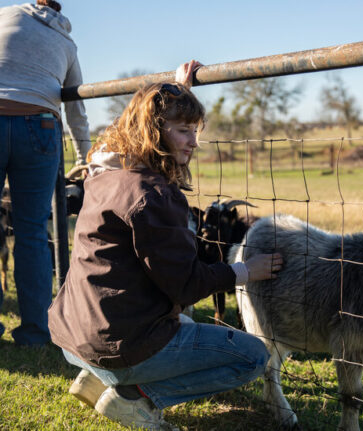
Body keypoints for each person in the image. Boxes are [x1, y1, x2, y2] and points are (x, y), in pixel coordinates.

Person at [48, 61, 283, 430]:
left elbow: (129, 125)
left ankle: (101, 376)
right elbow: (186, 284)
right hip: (116, 345)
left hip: (72, 336)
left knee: (183, 320)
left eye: (195, 131)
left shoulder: (104, 169)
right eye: (183, 131)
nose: (194, 142)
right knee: (251, 356)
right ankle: (135, 396)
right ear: (155, 133)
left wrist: (177, 91)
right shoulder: (152, 194)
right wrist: (244, 272)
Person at [0, 0, 91, 345]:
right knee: (32, 232)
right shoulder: (67, 43)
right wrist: (85, 159)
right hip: (40, 124)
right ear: (59, 10)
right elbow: (76, 109)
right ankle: (35, 331)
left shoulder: (5, 16)